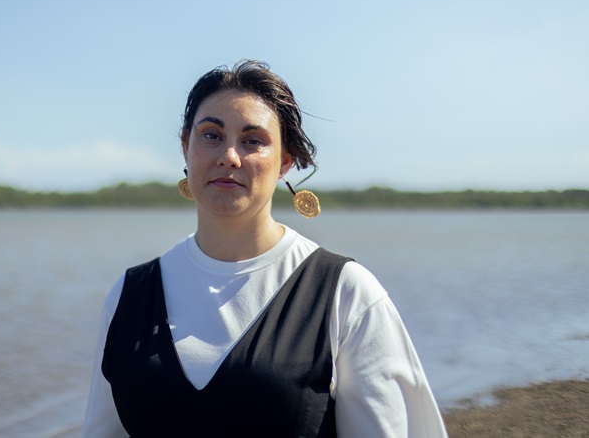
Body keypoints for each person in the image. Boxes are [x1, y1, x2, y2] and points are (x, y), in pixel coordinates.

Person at [82, 60, 447, 437]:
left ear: (285, 163)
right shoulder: (129, 294)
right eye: (211, 135)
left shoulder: (345, 293)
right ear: (185, 146)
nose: (229, 156)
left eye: (252, 140)